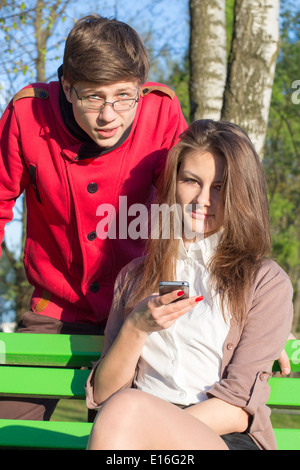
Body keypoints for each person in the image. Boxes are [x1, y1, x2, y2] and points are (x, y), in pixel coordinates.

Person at [0, 14, 187, 421]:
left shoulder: (161, 112)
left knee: (126, 433)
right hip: (54, 310)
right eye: (93, 97)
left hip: (137, 311)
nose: (109, 115)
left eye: (124, 96)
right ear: (67, 86)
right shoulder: (27, 115)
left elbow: (191, 217)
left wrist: (243, 316)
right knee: (8, 423)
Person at [85, 120, 293, 450]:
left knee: (125, 409)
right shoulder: (134, 277)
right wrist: (137, 327)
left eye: (220, 187)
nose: (202, 199)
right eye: (191, 181)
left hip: (219, 438)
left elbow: (239, 408)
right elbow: (102, 395)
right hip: (135, 437)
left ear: (242, 194)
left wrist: (150, 432)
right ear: (173, 184)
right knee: (121, 409)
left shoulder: (265, 282)